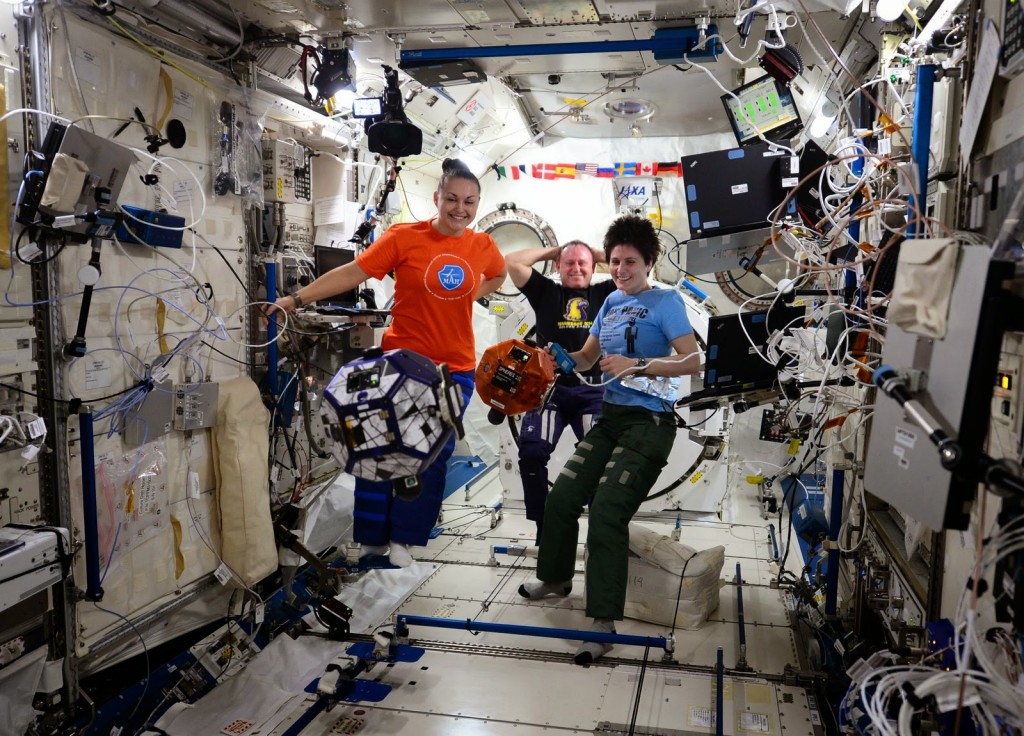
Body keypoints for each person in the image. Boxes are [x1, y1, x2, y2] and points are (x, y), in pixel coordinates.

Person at [268, 158, 507, 567]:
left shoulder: (481, 246)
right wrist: (295, 299)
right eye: (451, 198)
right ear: (437, 197)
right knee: (375, 448)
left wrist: (471, 294)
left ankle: (405, 541)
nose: (460, 209)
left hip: (455, 371)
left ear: (478, 204)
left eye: (469, 201)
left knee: (432, 453)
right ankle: (373, 540)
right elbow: (353, 273)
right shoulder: (403, 238)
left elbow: (498, 275)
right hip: (399, 366)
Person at [517, 214, 701, 665]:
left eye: (630, 262)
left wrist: (640, 367)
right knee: (562, 498)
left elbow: (694, 360)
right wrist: (561, 357)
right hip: (612, 417)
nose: (620, 270)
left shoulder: (666, 302)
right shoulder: (612, 302)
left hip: (650, 422)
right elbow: (588, 357)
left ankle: (602, 622)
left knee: (605, 513)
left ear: (649, 262)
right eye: (615, 261)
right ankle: (556, 578)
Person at [504, 241, 616, 540]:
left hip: (592, 389)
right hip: (548, 389)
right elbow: (513, 261)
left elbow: (641, 267)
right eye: (569, 263)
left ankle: (600, 532)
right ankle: (545, 525)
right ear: (558, 266)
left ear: (594, 267)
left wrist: (595, 253)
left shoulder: (606, 293)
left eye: (583, 263)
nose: (576, 268)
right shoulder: (545, 292)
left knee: (601, 459)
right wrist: (552, 251)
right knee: (531, 452)